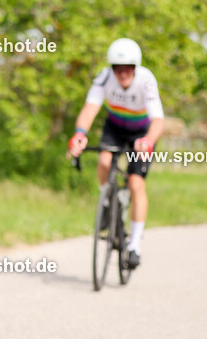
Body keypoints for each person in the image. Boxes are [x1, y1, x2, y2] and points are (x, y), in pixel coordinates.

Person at [68, 38, 164, 268]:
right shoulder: (103, 78)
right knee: (103, 160)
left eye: (128, 69)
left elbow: (158, 119)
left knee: (135, 183)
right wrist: (80, 134)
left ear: (135, 67)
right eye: (118, 69)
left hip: (141, 133)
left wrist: (148, 140)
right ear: (112, 68)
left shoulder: (146, 80)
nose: (123, 74)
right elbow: (89, 109)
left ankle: (135, 245)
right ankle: (108, 202)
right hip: (115, 128)